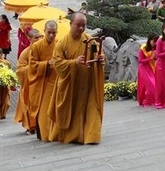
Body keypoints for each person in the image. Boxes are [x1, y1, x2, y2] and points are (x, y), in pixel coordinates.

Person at [48, 12, 105, 144]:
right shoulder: (62, 43)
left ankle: (92, 136)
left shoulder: (90, 40)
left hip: (88, 83)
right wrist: (74, 62)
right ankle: (72, 135)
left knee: (92, 108)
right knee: (71, 111)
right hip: (71, 84)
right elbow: (57, 63)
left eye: (83, 25)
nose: (81, 28)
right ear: (71, 24)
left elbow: (98, 54)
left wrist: (101, 59)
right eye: (78, 25)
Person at [28, 21, 58, 141]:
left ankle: (56, 133)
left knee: (57, 108)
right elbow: (32, 65)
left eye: (54, 33)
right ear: (44, 31)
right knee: (44, 110)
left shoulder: (60, 44)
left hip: (57, 81)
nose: (51, 35)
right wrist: (46, 64)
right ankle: (45, 134)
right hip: (42, 82)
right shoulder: (37, 46)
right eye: (49, 32)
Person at [14, 29, 41, 135]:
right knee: (29, 107)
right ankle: (31, 127)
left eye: (40, 37)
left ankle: (41, 125)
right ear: (29, 39)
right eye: (36, 38)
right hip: (29, 85)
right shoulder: (25, 53)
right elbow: (20, 70)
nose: (39, 39)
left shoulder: (43, 50)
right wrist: (33, 68)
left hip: (41, 83)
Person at [137, 33, 158, 106]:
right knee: (151, 84)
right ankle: (147, 101)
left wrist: (155, 57)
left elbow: (155, 58)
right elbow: (140, 60)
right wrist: (150, 58)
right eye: (153, 41)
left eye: (156, 42)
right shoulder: (143, 47)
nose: (155, 43)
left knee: (152, 84)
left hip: (151, 67)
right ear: (149, 40)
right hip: (143, 68)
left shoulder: (155, 47)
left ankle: (149, 100)